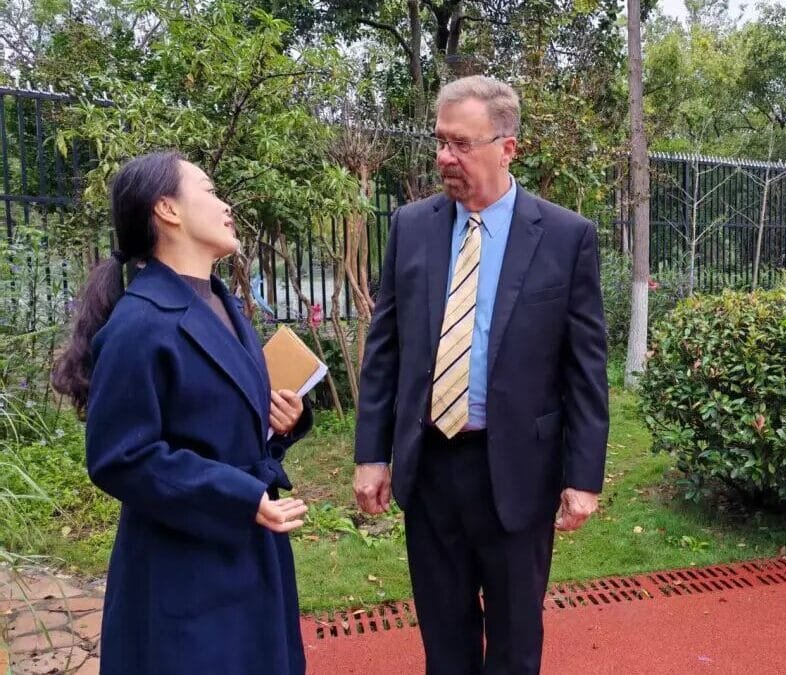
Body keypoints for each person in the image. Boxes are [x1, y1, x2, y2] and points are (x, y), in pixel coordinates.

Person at [352, 75, 609, 674]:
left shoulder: (567, 237)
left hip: (518, 468)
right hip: (430, 466)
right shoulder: (412, 226)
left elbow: (586, 369)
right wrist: (372, 454)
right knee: (444, 638)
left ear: (507, 146)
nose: (446, 156)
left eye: (462, 143)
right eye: (441, 141)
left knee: (517, 641)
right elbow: (384, 350)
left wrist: (584, 476)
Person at [51, 152, 313, 675]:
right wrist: (238, 496)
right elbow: (120, 458)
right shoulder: (138, 325)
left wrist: (277, 421)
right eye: (211, 190)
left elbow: (215, 417)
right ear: (167, 209)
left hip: (248, 551)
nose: (226, 205)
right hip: (183, 570)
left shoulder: (224, 304)